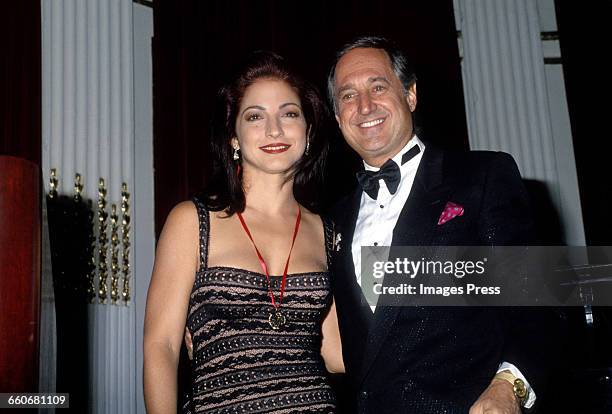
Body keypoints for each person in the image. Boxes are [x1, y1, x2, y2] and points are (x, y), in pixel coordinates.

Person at [326, 36, 561, 413]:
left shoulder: (481, 177)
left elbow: (537, 305)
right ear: (338, 117)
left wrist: (509, 387)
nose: (365, 105)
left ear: (411, 95)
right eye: (348, 96)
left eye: (378, 86)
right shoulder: (331, 221)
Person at [143, 51, 343, 414]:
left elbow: (337, 354)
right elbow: (162, 346)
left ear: (308, 132)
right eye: (255, 116)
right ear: (233, 137)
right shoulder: (193, 221)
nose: (274, 130)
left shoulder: (330, 232)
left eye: (289, 113)